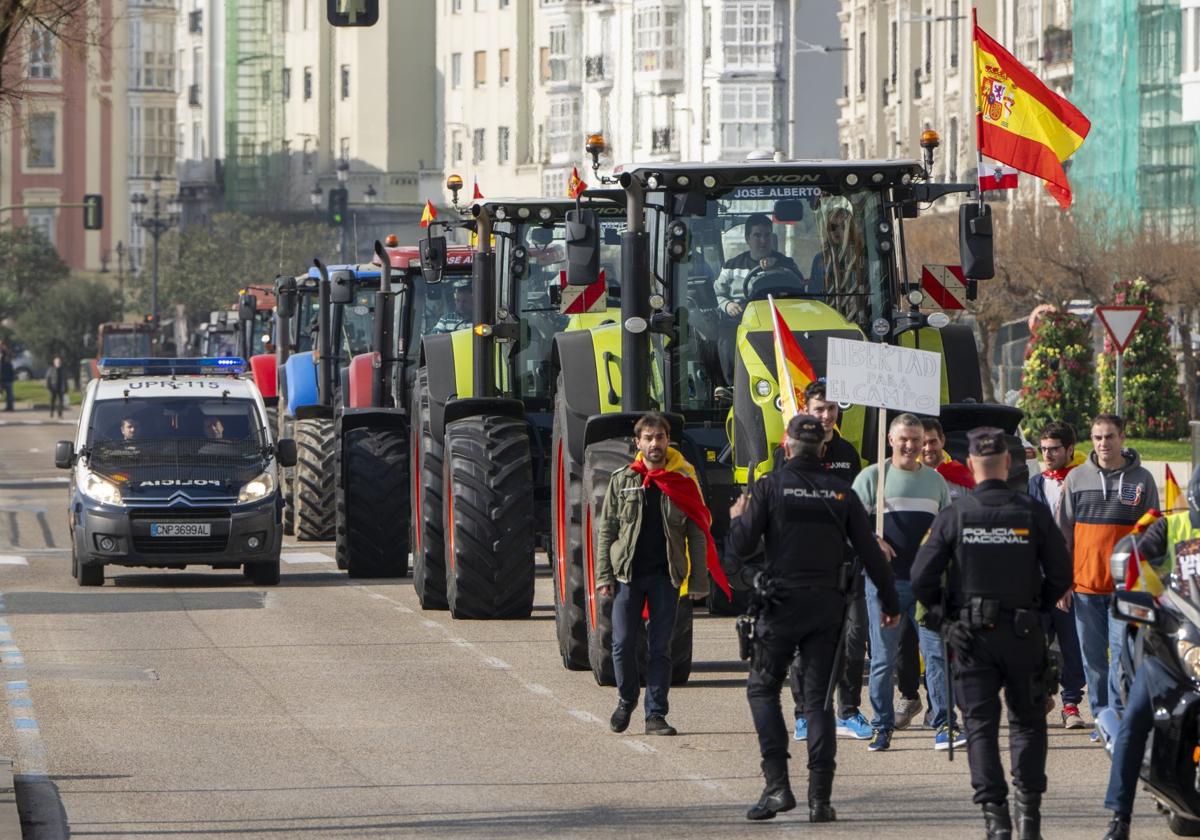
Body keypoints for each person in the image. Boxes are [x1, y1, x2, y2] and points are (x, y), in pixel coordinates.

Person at [728, 414, 900, 822]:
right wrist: (890, 604)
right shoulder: (842, 493)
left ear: (786, 447)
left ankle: (777, 786)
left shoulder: (768, 489)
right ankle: (820, 800)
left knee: (763, 689)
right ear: (823, 450)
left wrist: (738, 521)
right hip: (827, 607)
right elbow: (872, 554)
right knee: (820, 700)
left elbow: (738, 551)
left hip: (780, 604)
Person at [911, 427, 1072, 840]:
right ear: (1006, 464)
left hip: (971, 637)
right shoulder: (1031, 512)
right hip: (1022, 633)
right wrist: (1035, 608)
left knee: (981, 726)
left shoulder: (954, 515)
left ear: (970, 466)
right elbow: (1061, 573)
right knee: (1027, 724)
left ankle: (996, 822)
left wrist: (945, 623)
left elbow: (921, 579)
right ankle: (1029, 819)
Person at [594, 411, 714, 737]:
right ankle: (626, 699)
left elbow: (697, 532)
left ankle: (656, 715)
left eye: (659, 437)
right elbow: (608, 531)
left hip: (665, 578)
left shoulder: (682, 481)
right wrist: (603, 576)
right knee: (621, 644)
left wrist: (699, 582)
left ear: (667, 441)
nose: (654, 444)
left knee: (660, 649)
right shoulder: (623, 480)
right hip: (626, 577)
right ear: (638, 443)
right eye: (648, 438)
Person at [852, 412, 958, 751]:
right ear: (890, 440)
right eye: (904, 439)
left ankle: (943, 724)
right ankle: (882, 726)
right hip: (886, 585)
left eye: (916, 439)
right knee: (883, 659)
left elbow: (947, 529)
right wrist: (872, 541)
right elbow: (847, 525)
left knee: (936, 654)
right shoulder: (873, 478)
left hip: (927, 586)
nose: (911, 445)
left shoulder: (936, 482)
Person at [1057, 413, 1158, 733]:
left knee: (1122, 660)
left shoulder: (1143, 479)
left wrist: (1153, 583)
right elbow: (1063, 535)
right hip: (1085, 587)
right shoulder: (1076, 479)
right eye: (1098, 437)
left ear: (1122, 438)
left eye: (1110, 436)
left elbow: (1154, 535)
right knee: (1094, 662)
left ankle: (1118, 716)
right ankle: (1102, 719)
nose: (1104, 443)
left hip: (1127, 589)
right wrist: (1062, 583)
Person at [787, 381, 873, 741]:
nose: (826, 415)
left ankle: (849, 711)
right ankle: (805, 713)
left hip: (845, 566)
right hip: (802, 568)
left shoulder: (847, 453)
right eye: (820, 409)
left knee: (853, 639)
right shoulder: (786, 453)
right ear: (806, 409)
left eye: (832, 409)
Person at [1027, 420, 1087, 730]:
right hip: (1039, 576)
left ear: (1069, 449)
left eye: (1054, 450)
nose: (1047, 455)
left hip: (1073, 574)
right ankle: (1041, 693)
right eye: (1044, 449)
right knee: (1034, 640)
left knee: (1070, 641)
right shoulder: (1036, 483)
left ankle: (1071, 702)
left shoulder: (1082, 480)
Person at [714, 214, 805, 319]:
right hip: (739, 321)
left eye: (767, 235)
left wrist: (777, 267)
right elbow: (716, 295)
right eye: (757, 236)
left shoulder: (786, 264)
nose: (763, 241)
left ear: (772, 237)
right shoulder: (731, 267)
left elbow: (800, 287)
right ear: (747, 239)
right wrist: (727, 305)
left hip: (782, 319)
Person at [808, 208, 867, 324]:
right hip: (824, 317)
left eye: (843, 227)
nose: (837, 231)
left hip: (857, 319)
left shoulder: (862, 257)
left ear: (851, 229)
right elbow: (813, 293)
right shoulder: (820, 259)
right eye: (833, 227)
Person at [922, 418, 976, 501]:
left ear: (942, 440)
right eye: (923, 443)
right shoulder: (908, 480)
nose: (928, 448)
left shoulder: (961, 476)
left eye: (933, 442)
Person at [0, 345, 13, 412]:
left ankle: (10, 407)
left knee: (9, 395)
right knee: (8, 394)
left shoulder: (5, 360)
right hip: (6, 379)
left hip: (5, 379)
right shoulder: (7, 360)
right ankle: (10, 407)